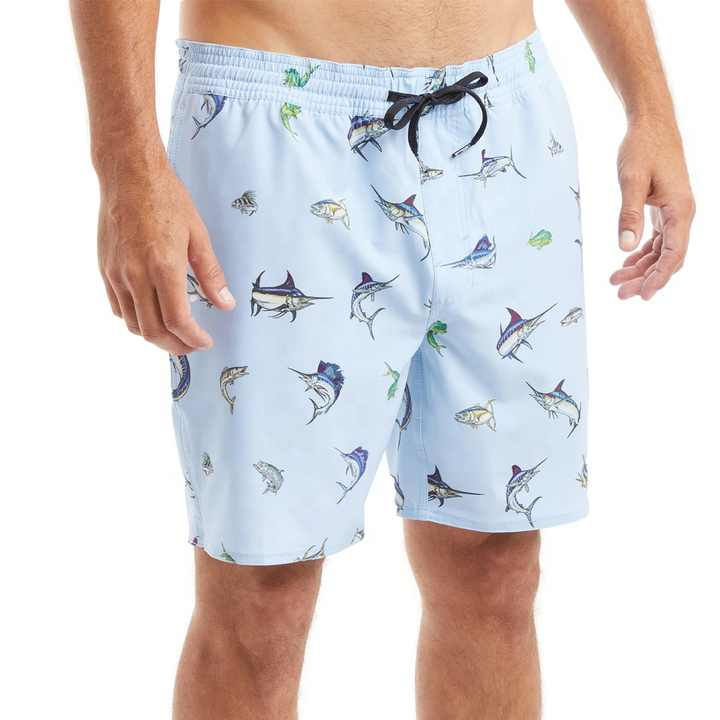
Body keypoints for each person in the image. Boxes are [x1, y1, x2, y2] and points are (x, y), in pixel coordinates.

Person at [71, 1, 694, 718]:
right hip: (281, 123)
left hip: (504, 119)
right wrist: (126, 166)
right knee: (262, 594)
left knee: (496, 567)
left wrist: (651, 105)